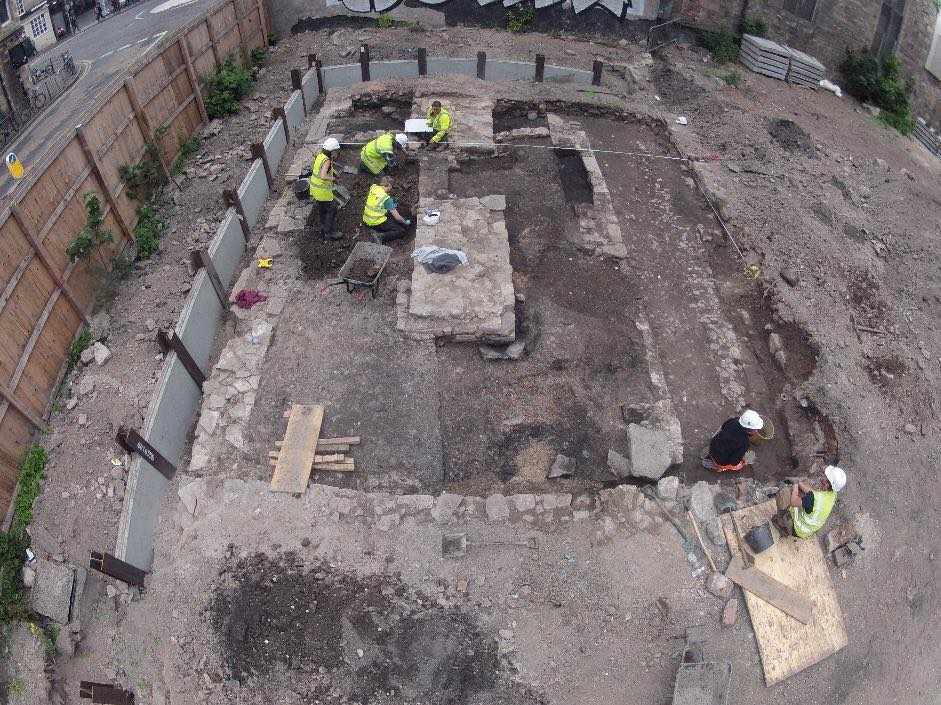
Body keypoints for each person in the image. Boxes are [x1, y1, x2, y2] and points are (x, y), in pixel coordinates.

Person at [774, 465, 846, 538]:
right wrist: (799, 483)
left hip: (798, 530)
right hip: (810, 528)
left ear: (827, 484)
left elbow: (794, 502)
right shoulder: (832, 493)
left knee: (783, 493)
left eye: (825, 476)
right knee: (802, 491)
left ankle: (781, 525)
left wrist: (795, 485)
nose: (822, 476)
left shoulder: (813, 499)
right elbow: (813, 493)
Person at [309, 138, 342, 241]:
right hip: (322, 191)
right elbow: (323, 176)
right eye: (336, 151)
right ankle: (330, 233)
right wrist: (333, 179)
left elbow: (323, 170)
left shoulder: (321, 156)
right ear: (332, 151)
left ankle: (324, 225)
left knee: (322, 208)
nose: (337, 153)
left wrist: (334, 174)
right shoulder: (327, 161)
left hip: (315, 188)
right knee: (332, 208)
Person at [362, 176, 412, 244]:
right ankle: (381, 236)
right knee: (401, 231)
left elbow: (377, 201)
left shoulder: (374, 188)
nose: (391, 188)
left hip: (366, 220)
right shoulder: (387, 200)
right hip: (376, 222)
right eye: (391, 186)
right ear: (389, 185)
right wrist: (405, 222)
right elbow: (398, 218)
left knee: (391, 216)